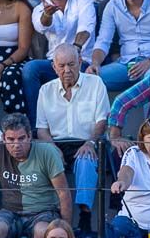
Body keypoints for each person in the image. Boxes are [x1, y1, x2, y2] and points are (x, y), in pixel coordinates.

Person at [35, 45, 110, 221]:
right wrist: (52, 148)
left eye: (71, 64)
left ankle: (85, 217)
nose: (67, 70)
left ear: (80, 62)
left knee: (86, 159)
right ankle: (48, 217)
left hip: (88, 140)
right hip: (56, 143)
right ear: (54, 67)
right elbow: (41, 129)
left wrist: (90, 143)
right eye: (61, 66)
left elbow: (102, 121)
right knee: (46, 158)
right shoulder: (45, 90)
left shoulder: (96, 84)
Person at [24, 0, 98, 124]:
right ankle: (37, 125)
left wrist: (75, 51)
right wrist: (48, 14)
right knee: (30, 69)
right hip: (54, 64)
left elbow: (86, 28)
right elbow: (41, 25)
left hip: (82, 61)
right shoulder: (40, 8)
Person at [0, 114, 72, 238]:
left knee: (43, 233)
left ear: (29, 136)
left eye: (21, 138)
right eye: (11, 139)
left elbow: (63, 193)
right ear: (3, 138)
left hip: (42, 212)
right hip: (10, 212)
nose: (16, 144)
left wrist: (66, 232)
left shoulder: (47, 151)